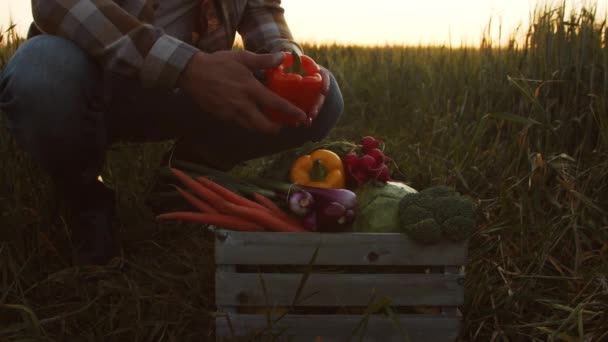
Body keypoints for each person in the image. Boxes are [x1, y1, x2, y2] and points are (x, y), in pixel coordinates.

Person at [0, 0, 344, 265]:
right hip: (90, 76)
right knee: (41, 72)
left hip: (197, 89)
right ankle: (85, 202)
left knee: (323, 102)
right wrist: (187, 67)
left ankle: (182, 179)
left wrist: (291, 64)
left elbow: (262, 10)